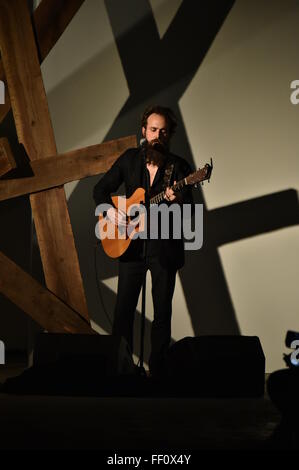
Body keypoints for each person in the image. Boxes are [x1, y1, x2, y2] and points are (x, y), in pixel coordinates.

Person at [93, 105, 193, 378]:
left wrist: (177, 201)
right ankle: (121, 370)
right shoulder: (129, 160)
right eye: (152, 130)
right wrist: (111, 212)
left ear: (169, 134)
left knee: (162, 314)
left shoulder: (180, 168)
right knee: (123, 311)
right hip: (131, 247)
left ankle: (158, 372)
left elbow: (187, 217)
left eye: (162, 131)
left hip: (163, 250)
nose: (156, 136)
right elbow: (100, 190)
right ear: (143, 131)